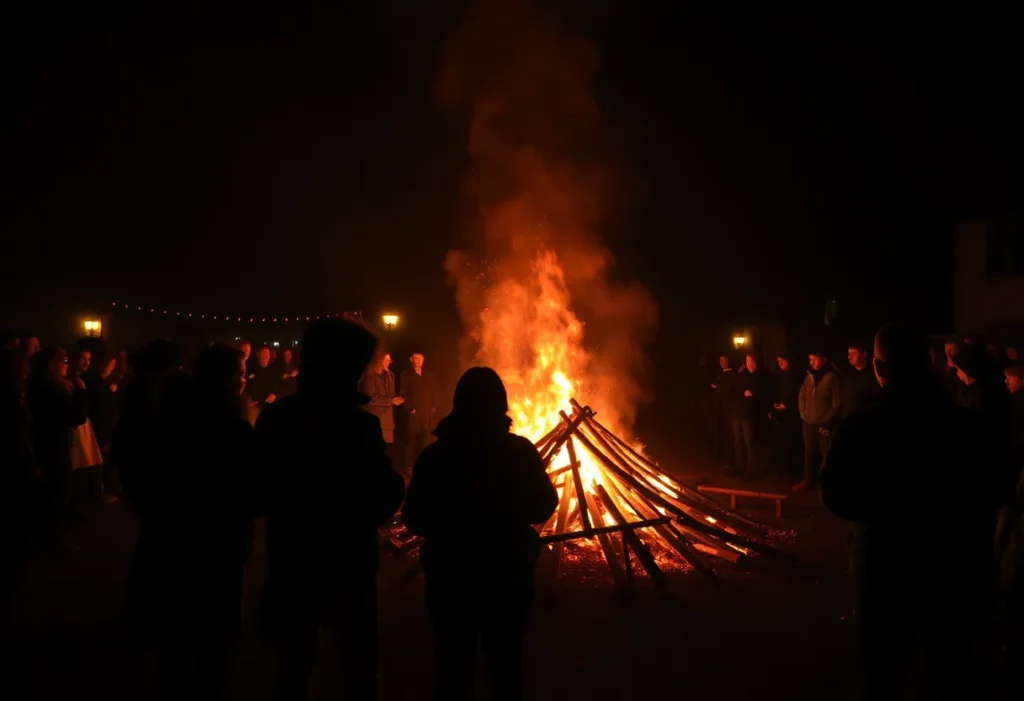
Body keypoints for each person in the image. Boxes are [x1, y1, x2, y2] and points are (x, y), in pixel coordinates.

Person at [820, 323, 1018, 700]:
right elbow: (1000, 485)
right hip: (954, 566)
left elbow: (834, 493)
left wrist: (881, 511)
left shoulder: (863, 427)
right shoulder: (970, 428)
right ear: (929, 363)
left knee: (884, 671)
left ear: (880, 369)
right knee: (951, 668)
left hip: (884, 565)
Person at [254, 318, 405, 700]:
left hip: (292, 559)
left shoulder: (277, 419)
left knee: (294, 666)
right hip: (348, 564)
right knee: (359, 669)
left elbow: (256, 491)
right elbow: (384, 497)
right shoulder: (358, 426)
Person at [403, 367, 558, 701]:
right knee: (505, 667)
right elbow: (545, 504)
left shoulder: (436, 455)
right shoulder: (519, 451)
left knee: (452, 668)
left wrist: (449, 528)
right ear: (501, 406)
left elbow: (414, 517)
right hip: (508, 575)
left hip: (450, 578)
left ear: (457, 405)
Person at [153, 344, 256, 701]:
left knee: (181, 628)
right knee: (218, 634)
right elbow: (252, 491)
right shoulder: (230, 425)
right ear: (227, 378)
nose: (244, 382)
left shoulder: (173, 417)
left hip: (179, 538)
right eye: (241, 375)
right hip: (221, 541)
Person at [27, 348, 88, 551]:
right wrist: (80, 391)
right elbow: (75, 417)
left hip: (46, 443)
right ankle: (54, 539)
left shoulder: (40, 385)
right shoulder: (51, 388)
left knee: (53, 491)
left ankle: (50, 534)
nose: (67, 364)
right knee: (58, 491)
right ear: (51, 364)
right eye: (63, 360)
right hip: (54, 445)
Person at [794, 350, 840, 491]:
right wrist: (803, 413)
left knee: (825, 452)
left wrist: (825, 418)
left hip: (823, 423)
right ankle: (808, 480)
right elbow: (802, 395)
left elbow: (836, 403)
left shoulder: (831, 377)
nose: (811, 362)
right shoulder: (809, 376)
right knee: (808, 452)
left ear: (823, 359)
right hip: (808, 422)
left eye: (814, 359)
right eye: (810, 359)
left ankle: (826, 483)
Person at [401, 351, 438, 474]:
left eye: (420, 358)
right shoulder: (406, 374)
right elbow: (403, 393)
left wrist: (434, 406)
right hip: (414, 414)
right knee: (410, 442)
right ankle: (408, 467)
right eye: (415, 358)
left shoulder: (429, 374)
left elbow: (434, 391)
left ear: (423, 360)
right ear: (411, 360)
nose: (418, 361)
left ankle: (424, 466)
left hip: (426, 414)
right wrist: (410, 408)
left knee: (426, 441)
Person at [359, 351, 404, 445]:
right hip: (374, 421)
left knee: (386, 450)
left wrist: (397, 399)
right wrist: (391, 401)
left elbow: (391, 396)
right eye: (384, 360)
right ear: (377, 361)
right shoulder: (369, 374)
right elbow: (369, 398)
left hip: (387, 423)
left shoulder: (390, 375)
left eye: (389, 360)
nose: (387, 363)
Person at [771, 351, 803, 479]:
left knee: (790, 444)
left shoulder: (796, 376)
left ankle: (791, 472)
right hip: (778, 415)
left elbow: (799, 395)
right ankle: (778, 470)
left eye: (782, 361)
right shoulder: (777, 375)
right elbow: (772, 391)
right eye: (778, 361)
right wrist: (773, 406)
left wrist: (788, 405)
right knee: (777, 443)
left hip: (791, 416)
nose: (780, 364)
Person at [841, 340, 880, 419]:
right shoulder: (848, 376)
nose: (849, 357)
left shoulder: (873, 377)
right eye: (849, 354)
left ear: (864, 354)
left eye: (853, 354)